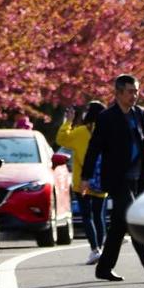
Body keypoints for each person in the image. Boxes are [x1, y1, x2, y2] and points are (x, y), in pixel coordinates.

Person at [80, 73, 144, 283]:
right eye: (130, 91)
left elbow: (143, 142)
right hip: (117, 178)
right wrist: (86, 177)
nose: (134, 95)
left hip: (138, 177)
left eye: (136, 91)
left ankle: (104, 268)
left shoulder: (140, 114)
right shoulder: (107, 117)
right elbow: (94, 148)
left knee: (120, 225)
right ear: (118, 93)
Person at [56, 101, 108, 264]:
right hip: (102, 180)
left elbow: (61, 139)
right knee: (99, 216)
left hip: (82, 181)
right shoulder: (109, 132)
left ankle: (95, 249)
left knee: (87, 216)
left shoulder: (80, 132)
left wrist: (68, 122)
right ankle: (101, 247)